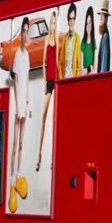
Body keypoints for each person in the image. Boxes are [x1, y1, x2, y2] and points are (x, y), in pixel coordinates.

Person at [9, 16, 32, 212]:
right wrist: (18, 105)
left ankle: (18, 175)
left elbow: (26, 81)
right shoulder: (17, 54)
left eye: (27, 32)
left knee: (22, 143)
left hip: (24, 101)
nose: (25, 35)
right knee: (15, 145)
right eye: (23, 31)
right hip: (18, 103)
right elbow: (16, 81)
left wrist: (27, 102)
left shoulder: (28, 55)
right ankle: (11, 184)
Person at [36, 9, 60, 172]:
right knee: (43, 116)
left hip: (56, 79)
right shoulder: (47, 39)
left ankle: (54, 158)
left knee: (55, 118)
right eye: (51, 23)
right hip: (49, 81)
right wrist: (45, 82)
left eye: (54, 23)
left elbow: (57, 60)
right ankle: (39, 155)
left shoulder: (56, 39)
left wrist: (60, 78)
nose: (52, 26)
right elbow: (44, 62)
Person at [60, 2, 82, 78]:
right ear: (67, 20)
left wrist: (76, 77)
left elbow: (79, 63)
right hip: (65, 77)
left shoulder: (77, 37)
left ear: (75, 19)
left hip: (73, 78)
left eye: (73, 18)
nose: (71, 21)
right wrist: (61, 78)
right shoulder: (64, 38)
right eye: (70, 18)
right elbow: (60, 62)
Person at [96, 0, 112, 73]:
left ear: (106, 18)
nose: (100, 19)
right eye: (100, 16)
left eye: (102, 16)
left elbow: (104, 65)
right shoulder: (104, 35)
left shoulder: (105, 36)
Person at [80, 6, 96, 75]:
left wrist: (87, 71)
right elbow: (81, 71)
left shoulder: (94, 42)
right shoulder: (83, 43)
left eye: (90, 22)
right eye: (87, 23)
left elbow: (95, 69)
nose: (88, 26)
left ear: (92, 24)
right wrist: (90, 68)